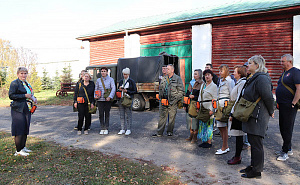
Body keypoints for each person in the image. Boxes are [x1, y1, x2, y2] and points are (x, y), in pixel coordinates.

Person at [239, 55, 274, 178]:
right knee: (253, 142)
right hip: (252, 115)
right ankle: (253, 166)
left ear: (257, 66)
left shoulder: (262, 79)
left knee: (256, 144)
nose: (247, 65)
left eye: (250, 63)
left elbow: (268, 97)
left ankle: (257, 171)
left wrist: (271, 110)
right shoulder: (254, 77)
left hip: (258, 116)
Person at [275, 54, 300, 161]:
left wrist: (293, 103)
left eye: (283, 61)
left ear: (289, 61)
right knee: (282, 126)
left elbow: (299, 89)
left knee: (287, 128)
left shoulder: (295, 72)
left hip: (289, 105)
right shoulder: (284, 73)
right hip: (282, 105)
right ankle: (288, 148)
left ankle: (285, 152)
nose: (281, 63)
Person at [9, 67, 37, 156]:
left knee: (25, 128)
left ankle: (23, 147)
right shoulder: (14, 83)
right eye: (21, 73)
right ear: (18, 74)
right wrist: (24, 95)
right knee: (19, 129)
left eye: (25, 73)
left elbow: (30, 94)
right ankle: (18, 150)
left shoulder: (26, 83)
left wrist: (33, 98)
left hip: (27, 108)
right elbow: (11, 95)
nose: (23, 75)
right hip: (18, 109)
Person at [152, 64, 184, 137]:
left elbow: (181, 91)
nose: (166, 70)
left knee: (172, 118)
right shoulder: (164, 78)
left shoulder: (177, 79)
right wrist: (160, 98)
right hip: (163, 101)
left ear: (172, 70)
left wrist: (175, 100)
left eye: (168, 69)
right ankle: (159, 132)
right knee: (161, 117)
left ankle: (170, 131)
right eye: (166, 69)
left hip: (172, 102)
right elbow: (160, 89)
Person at [227, 65, 247, 164]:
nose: (233, 73)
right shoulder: (238, 82)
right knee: (237, 136)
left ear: (239, 73)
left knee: (239, 135)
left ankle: (237, 157)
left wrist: (232, 113)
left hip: (237, 111)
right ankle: (237, 156)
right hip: (235, 109)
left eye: (235, 71)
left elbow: (238, 99)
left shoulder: (242, 82)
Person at [215, 64, 235, 155]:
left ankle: (224, 147)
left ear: (226, 71)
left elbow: (232, 95)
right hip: (219, 104)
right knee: (219, 126)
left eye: (221, 71)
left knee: (223, 126)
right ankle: (225, 146)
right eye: (219, 71)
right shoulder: (221, 81)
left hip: (225, 105)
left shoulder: (230, 81)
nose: (219, 73)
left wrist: (230, 108)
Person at [197, 69, 217, 148]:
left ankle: (209, 142)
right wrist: (198, 106)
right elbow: (199, 96)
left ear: (212, 76)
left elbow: (215, 98)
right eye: (205, 75)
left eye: (208, 75)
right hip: (202, 107)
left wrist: (212, 109)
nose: (207, 77)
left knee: (209, 125)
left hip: (209, 108)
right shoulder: (203, 85)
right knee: (202, 124)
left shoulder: (214, 86)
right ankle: (204, 140)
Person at [95, 67, 116, 135]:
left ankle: (106, 128)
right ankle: (102, 128)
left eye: (104, 71)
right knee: (101, 114)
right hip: (100, 100)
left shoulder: (111, 79)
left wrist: (110, 97)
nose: (103, 72)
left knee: (107, 114)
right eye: (102, 71)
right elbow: (96, 89)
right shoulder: (98, 80)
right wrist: (96, 96)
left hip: (107, 100)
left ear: (107, 72)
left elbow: (113, 88)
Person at [185, 69, 203, 144]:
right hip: (189, 103)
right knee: (189, 119)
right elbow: (187, 93)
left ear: (199, 75)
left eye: (196, 74)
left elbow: (201, 95)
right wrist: (184, 104)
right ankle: (191, 135)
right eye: (194, 74)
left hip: (195, 103)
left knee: (195, 121)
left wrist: (194, 97)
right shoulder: (191, 82)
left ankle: (195, 136)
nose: (194, 75)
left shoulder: (202, 83)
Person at [117, 67, 137, 136]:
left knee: (128, 115)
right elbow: (118, 90)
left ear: (128, 74)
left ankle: (128, 129)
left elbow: (135, 91)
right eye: (124, 74)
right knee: (121, 115)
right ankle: (122, 128)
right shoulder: (121, 81)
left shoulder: (131, 81)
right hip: (121, 99)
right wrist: (119, 89)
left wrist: (127, 91)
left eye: (126, 74)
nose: (125, 75)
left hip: (128, 100)